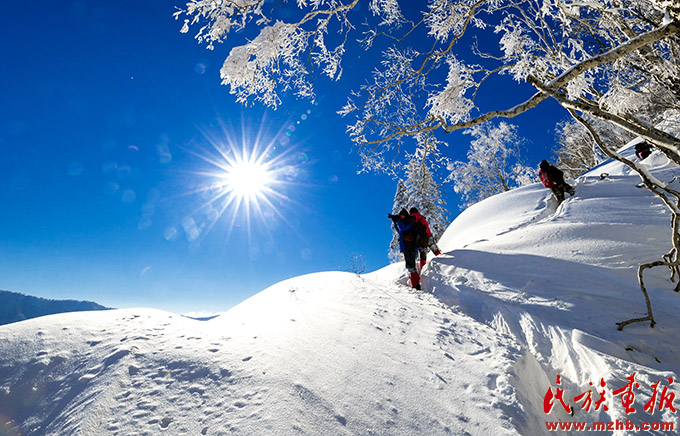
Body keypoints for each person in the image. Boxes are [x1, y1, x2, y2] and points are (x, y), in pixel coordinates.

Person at [388, 208, 421, 290]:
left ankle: (416, 285)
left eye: (402, 216)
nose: (401, 217)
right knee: (409, 266)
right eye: (400, 216)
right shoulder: (405, 223)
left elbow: (403, 228)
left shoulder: (409, 222)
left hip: (410, 247)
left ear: (406, 215)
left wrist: (398, 220)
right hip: (407, 247)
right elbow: (400, 231)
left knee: (411, 266)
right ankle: (414, 284)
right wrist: (394, 221)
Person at [409, 207, 441, 272]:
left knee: (422, 253)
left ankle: (423, 269)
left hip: (420, 239)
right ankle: (441, 258)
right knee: (434, 248)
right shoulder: (421, 217)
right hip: (428, 235)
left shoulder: (411, 219)